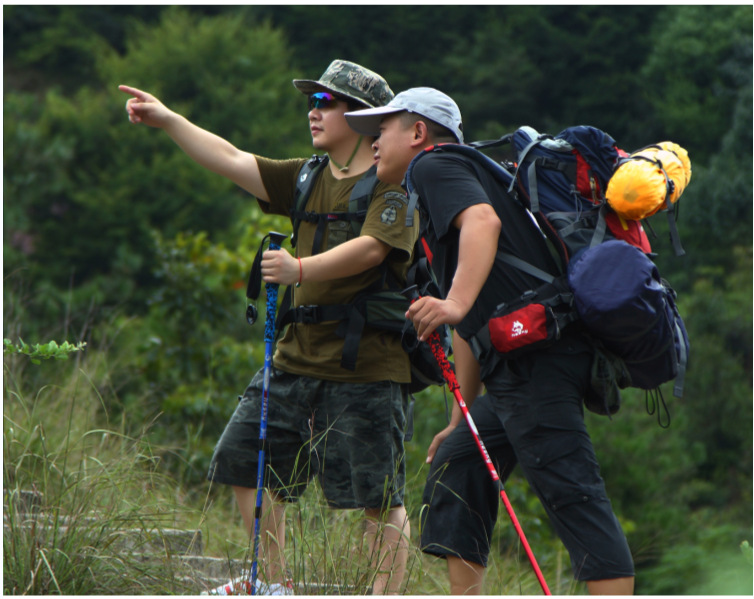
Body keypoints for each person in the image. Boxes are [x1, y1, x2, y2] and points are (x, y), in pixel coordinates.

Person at [120, 60, 417, 596]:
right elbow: (232, 159)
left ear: (365, 118)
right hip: (294, 356)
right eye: (313, 101)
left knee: (378, 497)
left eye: (327, 102)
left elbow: (374, 249)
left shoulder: (392, 187)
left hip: (366, 366)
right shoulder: (306, 176)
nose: (313, 110)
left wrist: (299, 269)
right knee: (241, 458)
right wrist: (169, 120)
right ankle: (272, 584)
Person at [345, 88, 635, 595]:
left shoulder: (432, 166)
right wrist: (462, 415)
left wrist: (452, 304)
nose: (371, 142)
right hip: (518, 362)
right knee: (460, 461)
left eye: (382, 129)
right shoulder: (455, 178)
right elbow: (473, 320)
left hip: (537, 362)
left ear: (417, 133)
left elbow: (484, 225)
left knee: (574, 496)